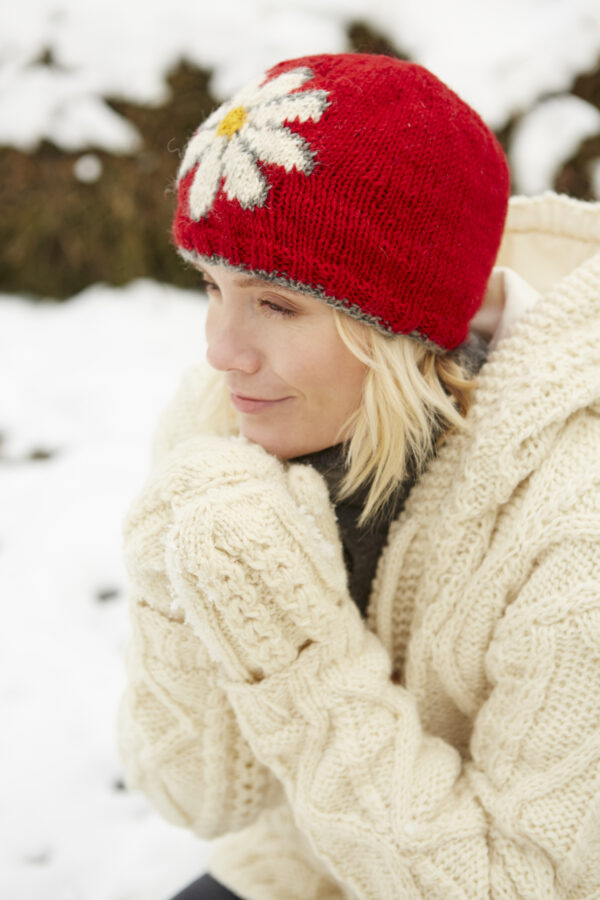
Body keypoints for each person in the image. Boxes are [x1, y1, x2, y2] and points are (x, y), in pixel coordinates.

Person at [116, 52, 600, 900]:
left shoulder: (573, 520)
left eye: (275, 303)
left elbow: (517, 885)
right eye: (210, 287)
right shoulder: (225, 417)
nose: (220, 351)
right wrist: (175, 587)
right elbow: (195, 797)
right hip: (307, 862)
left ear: (400, 328)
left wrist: (291, 646)